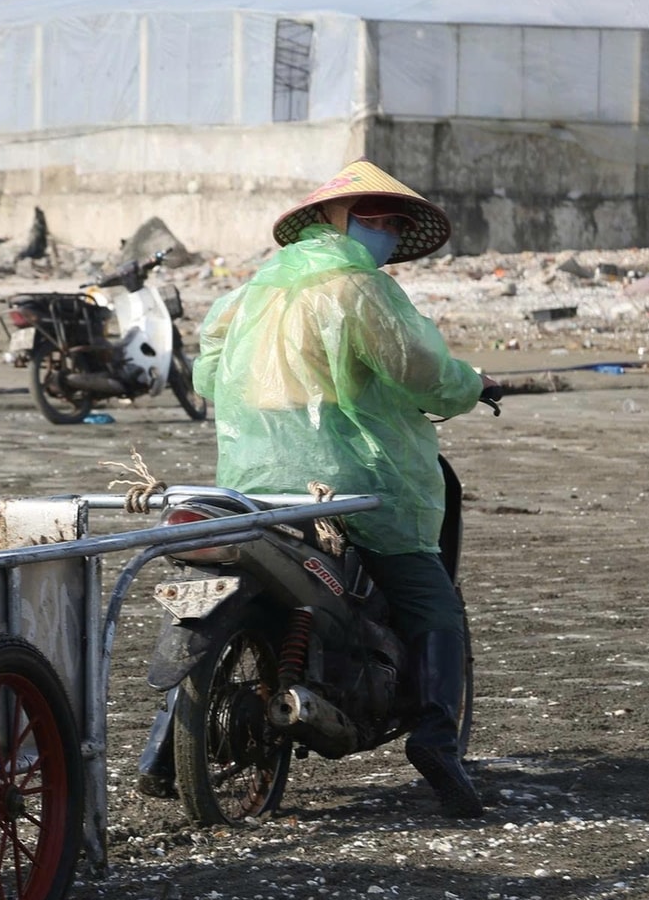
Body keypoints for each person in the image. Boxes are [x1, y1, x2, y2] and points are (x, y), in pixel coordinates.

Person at [192, 160, 494, 818]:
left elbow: (207, 375)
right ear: (332, 217)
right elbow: (422, 372)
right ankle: (438, 740)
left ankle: (166, 750)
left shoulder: (248, 294)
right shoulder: (359, 290)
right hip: (350, 484)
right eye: (374, 218)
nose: (382, 230)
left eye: (391, 221)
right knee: (432, 599)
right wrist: (473, 383)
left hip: (251, 487)